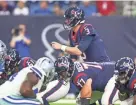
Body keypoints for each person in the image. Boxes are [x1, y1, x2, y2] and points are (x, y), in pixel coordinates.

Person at [54, 56, 119, 105]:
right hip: (106, 76)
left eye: (62, 73)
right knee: (80, 102)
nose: (61, 76)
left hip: (114, 76)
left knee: (105, 101)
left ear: (69, 69)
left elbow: (87, 91)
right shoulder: (75, 67)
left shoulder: (78, 76)